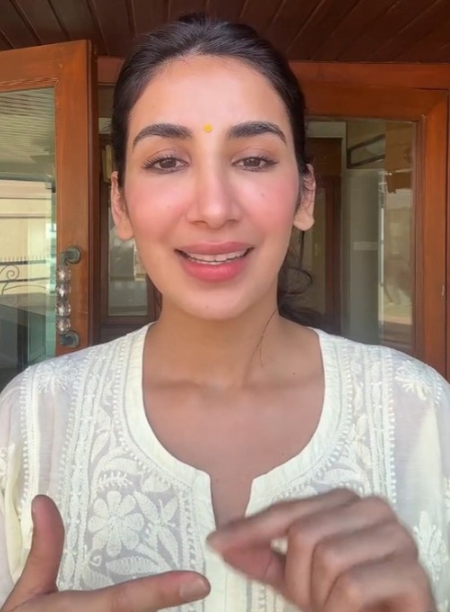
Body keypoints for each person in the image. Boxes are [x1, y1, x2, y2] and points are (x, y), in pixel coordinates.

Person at [0, 13, 449, 612]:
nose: (214, 209)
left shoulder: (421, 414)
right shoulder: (34, 419)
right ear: (120, 204)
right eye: (167, 161)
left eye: (254, 159)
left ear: (305, 195)